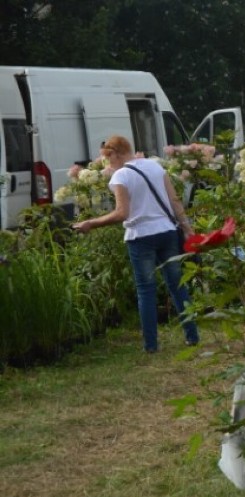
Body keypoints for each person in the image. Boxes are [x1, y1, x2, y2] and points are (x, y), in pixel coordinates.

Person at [72, 135, 199, 353]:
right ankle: (192, 336)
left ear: (114, 153)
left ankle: (151, 345)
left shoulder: (121, 176)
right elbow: (175, 200)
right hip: (167, 231)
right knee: (177, 285)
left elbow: (122, 213)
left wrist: (91, 223)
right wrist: (188, 229)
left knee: (146, 290)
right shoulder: (156, 166)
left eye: (108, 158)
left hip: (140, 236)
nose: (108, 164)